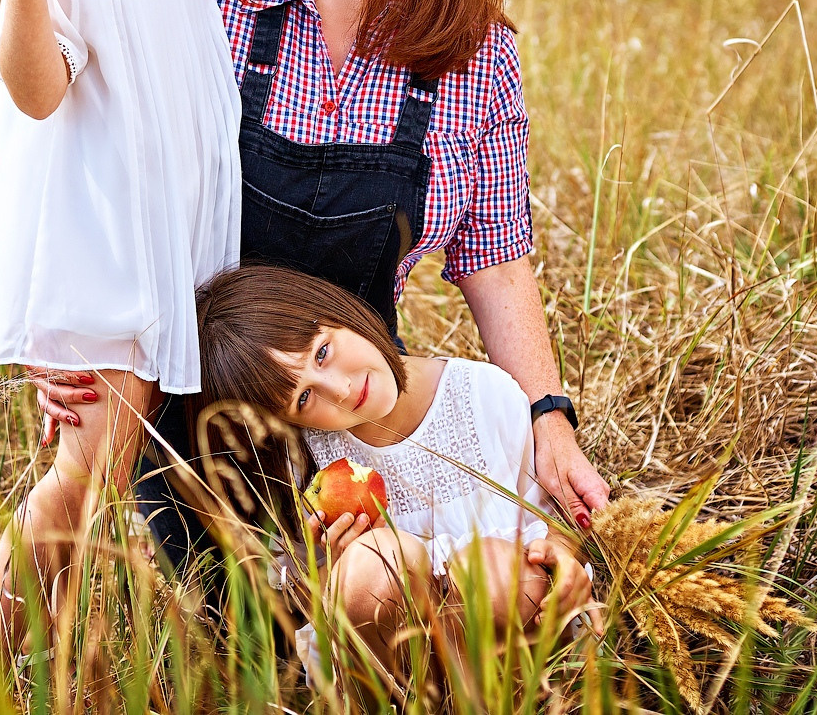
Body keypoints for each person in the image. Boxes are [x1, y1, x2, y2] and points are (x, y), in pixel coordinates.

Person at [37, 0, 610, 566]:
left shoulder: (475, 53)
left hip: (349, 413)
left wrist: (547, 416)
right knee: (242, 652)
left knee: (386, 633)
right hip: (194, 417)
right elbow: (86, 144)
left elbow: (495, 257)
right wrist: (71, 333)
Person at [0, 0, 240, 644]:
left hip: (164, 258)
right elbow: (35, 87)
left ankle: (44, 666)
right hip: (107, 262)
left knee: (101, 487)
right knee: (79, 490)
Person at [196, 266, 590, 666]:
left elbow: (554, 519)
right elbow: (298, 594)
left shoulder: (484, 396)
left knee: (491, 574)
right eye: (304, 399)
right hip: (396, 673)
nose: (342, 390)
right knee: (369, 565)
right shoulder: (308, 466)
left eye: (322, 352)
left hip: (512, 654)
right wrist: (337, 572)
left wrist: (563, 557)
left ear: (337, 309)